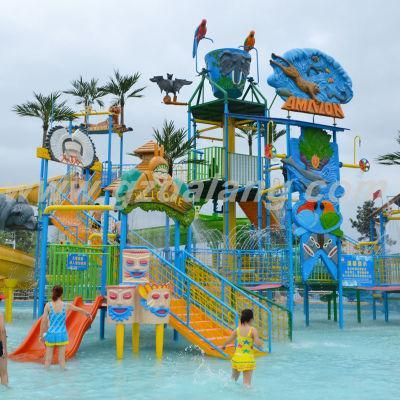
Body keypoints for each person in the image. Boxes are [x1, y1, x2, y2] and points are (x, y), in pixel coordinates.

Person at [39, 285, 92, 369]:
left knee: (48, 359)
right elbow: (78, 309)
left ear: (53, 293)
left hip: (51, 334)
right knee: (61, 360)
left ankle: (46, 379)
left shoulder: (48, 305)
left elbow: (44, 321)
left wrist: (41, 335)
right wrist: (87, 313)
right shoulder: (65, 305)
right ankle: (63, 378)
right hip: (62, 334)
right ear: (61, 294)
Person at [220, 309, 263, 387]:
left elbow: (229, 339)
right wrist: (260, 341)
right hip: (247, 359)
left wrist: (223, 346)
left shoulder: (238, 329)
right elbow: (258, 344)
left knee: (232, 381)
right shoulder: (253, 330)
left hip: (237, 358)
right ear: (251, 319)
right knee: (247, 384)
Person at [0, 295, 8, 386]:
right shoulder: (0, 314)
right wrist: (4, 348)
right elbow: (2, 330)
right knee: (3, 373)